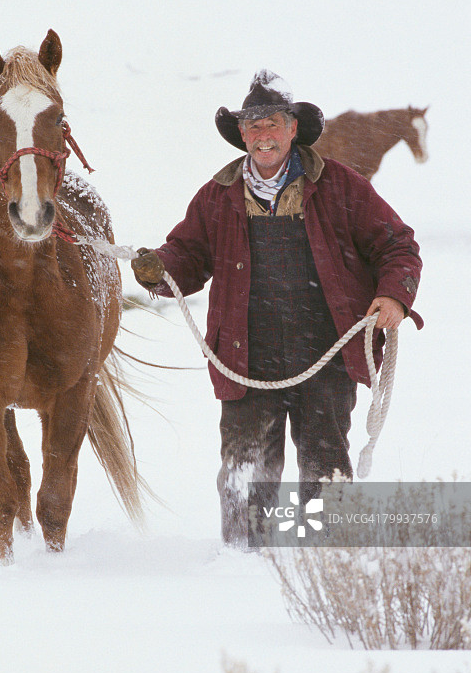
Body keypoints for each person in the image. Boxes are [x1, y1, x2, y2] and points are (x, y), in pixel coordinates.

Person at [131, 69, 423, 546]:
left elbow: (398, 245)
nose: (263, 136)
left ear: (293, 129)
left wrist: (394, 294)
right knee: (246, 473)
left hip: (327, 352)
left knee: (325, 470)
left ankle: (328, 571)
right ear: (241, 135)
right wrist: (157, 268)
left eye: (273, 125)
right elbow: (186, 257)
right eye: (253, 127)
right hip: (247, 357)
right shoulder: (217, 196)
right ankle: (243, 566)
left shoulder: (341, 186)